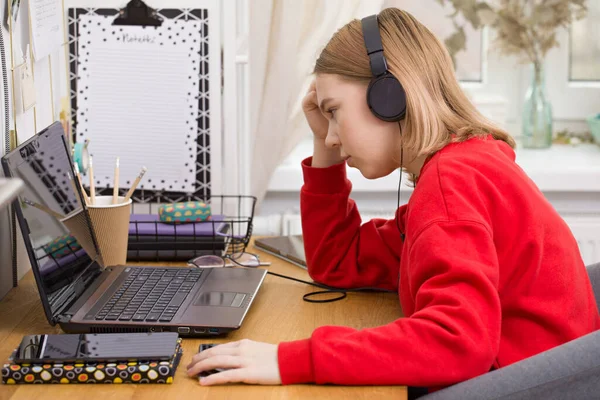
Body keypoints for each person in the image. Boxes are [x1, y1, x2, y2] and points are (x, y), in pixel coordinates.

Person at [186, 7, 600, 395]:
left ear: (390, 97)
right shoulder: (465, 165)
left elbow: (457, 342)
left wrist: (288, 359)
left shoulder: (451, 184)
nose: (331, 135)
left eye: (333, 112)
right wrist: (323, 148)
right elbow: (337, 260)